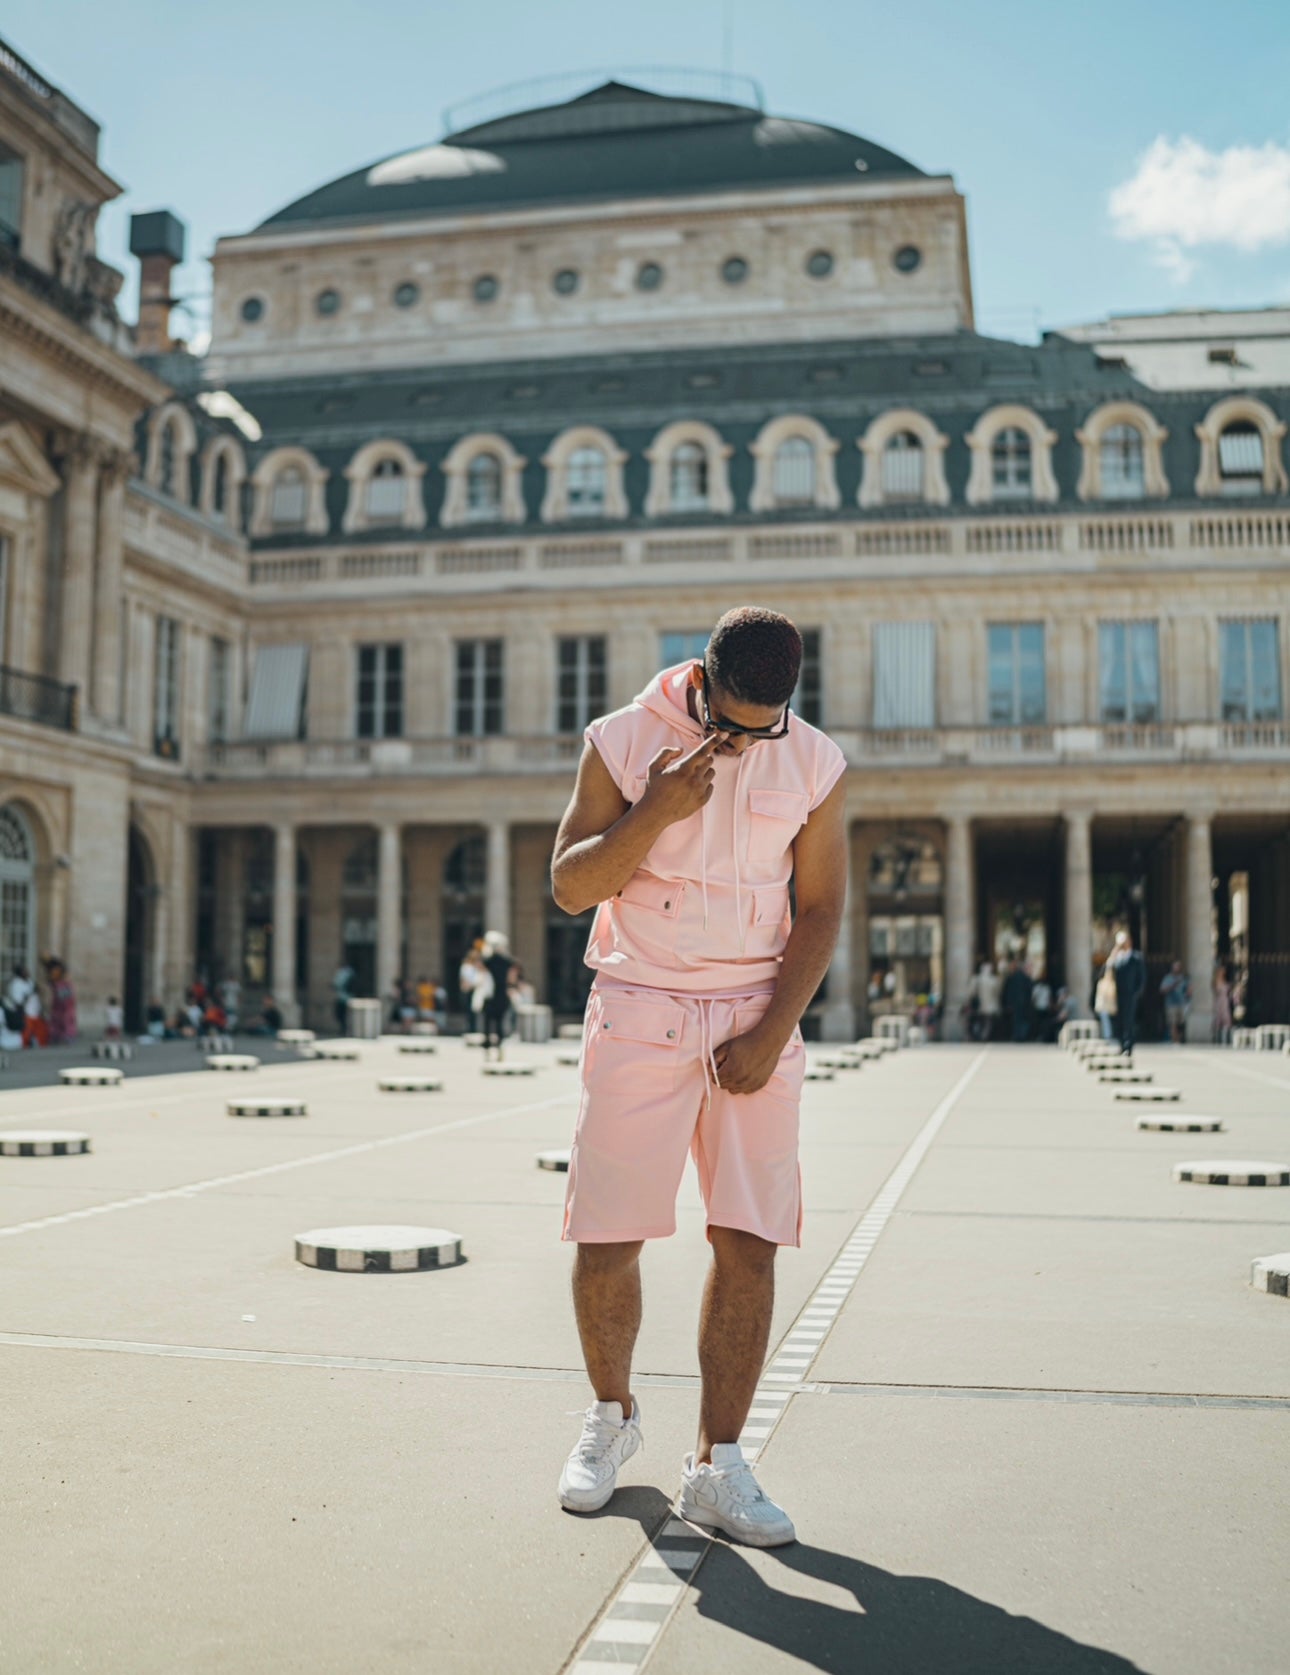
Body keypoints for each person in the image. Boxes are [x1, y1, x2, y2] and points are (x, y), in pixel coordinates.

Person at [550, 606, 846, 1547]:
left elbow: (826, 904)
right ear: (702, 676)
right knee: (607, 1236)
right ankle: (610, 1418)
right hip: (640, 1006)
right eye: (730, 718)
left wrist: (775, 1028)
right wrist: (654, 812)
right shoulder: (625, 739)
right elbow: (568, 884)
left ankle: (719, 1464)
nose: (747, 739)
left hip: (755, 1016)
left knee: (750, 1242)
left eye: (766, 724)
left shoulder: (815, 762)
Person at [479, 932, 517, 1060]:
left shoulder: (488, 961)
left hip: (489, 997)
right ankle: (500, 1050)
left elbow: (481, 971)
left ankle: (487, 1052)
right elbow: (512, 979)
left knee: (487, 1025)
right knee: (500, 1024)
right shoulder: (507, 962)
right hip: (502, 996)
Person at [1107, 931, 1145, 1056]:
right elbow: (1107, 969)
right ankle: (1121, 1044)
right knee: (1118, 1021)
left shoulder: (1136, 957)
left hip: (1130, 995)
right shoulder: (1117, 957)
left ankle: (1128, 1046)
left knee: (1129, 1021)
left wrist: (1137, 992)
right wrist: (1115, 951)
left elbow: (1142, 977)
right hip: (1117, 995)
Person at [967, 960, 1000, 1042]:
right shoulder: (993, 980)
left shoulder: (976, 979)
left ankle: (979, 1035)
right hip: (990, 1005)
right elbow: (996, 994)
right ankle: (984, 1036)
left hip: (978, 1005)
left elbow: (971, 992)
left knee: (978, 1021)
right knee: (987, 1022)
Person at [45, 958, 77, 1045]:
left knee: (65, 1021)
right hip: (59, 1007)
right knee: (58, 1021)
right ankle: (59, 1036)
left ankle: (66, 1036)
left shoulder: (63, 983)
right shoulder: (56, 983)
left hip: (64, 1007)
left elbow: (66, 997)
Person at [1160, 960, 1191, 1045]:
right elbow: (1162, 990)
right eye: (1175, 967)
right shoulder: (1168, 978)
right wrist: (1173, 985)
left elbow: (1189, 990)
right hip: (1171, 1003)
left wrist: (1188, 993)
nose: (1177, 969)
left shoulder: (1183, 978)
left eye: (1178, 967)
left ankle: (1179, 1039)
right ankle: (1175, 1040)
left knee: (1181, 1023)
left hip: (1182, 1003)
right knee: (1172, 1022)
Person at [1094, 963, 1118, 1041]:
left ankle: (1108, 1036)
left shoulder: (1112, 982)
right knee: (1105, 1021)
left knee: (1108, 1022)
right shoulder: (1101, 982)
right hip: (1103, 1005)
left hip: (1109, 1005)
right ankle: (1107, 1036)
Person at [21, 982, 48, 1047]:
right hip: (29, 1017)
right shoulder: (29, 995)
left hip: (37, 1017)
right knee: (27, 1033)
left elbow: (40, 1007)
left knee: (41, 1032)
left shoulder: (39, 997)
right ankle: (25, 1045)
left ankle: (42, 1044)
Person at [1212, 964, 1233, 1045]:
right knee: (1218, 1019)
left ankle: (1225, 1038)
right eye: (1222, 971)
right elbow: (1215, 991)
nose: (1223, 972)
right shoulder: (1216, 981)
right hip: (1219, 1001)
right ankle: (1217, 1038)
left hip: (1225, 1001)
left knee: (1227, 1019)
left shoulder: (1225, 980)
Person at [331, 962, 354, 1033]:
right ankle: (345, 1029)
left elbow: (336, 984)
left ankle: (344, 1030)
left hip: (343, 998)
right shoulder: (351, 973)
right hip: (348, 997)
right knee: (344, 1016)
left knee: (341, 1015)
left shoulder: (343, 973)